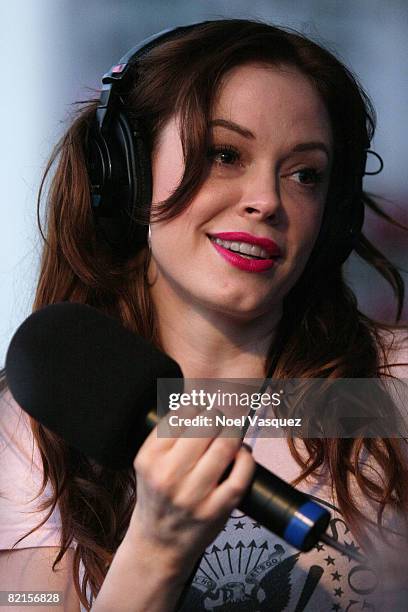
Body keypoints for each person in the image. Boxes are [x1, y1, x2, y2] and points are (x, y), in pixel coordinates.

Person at [1, 18, 407, 612]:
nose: (266, 200)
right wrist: (155, 552)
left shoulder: (391, 389)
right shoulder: (32, 431)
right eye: (224, 153)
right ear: (127, 174)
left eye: (305, 174)